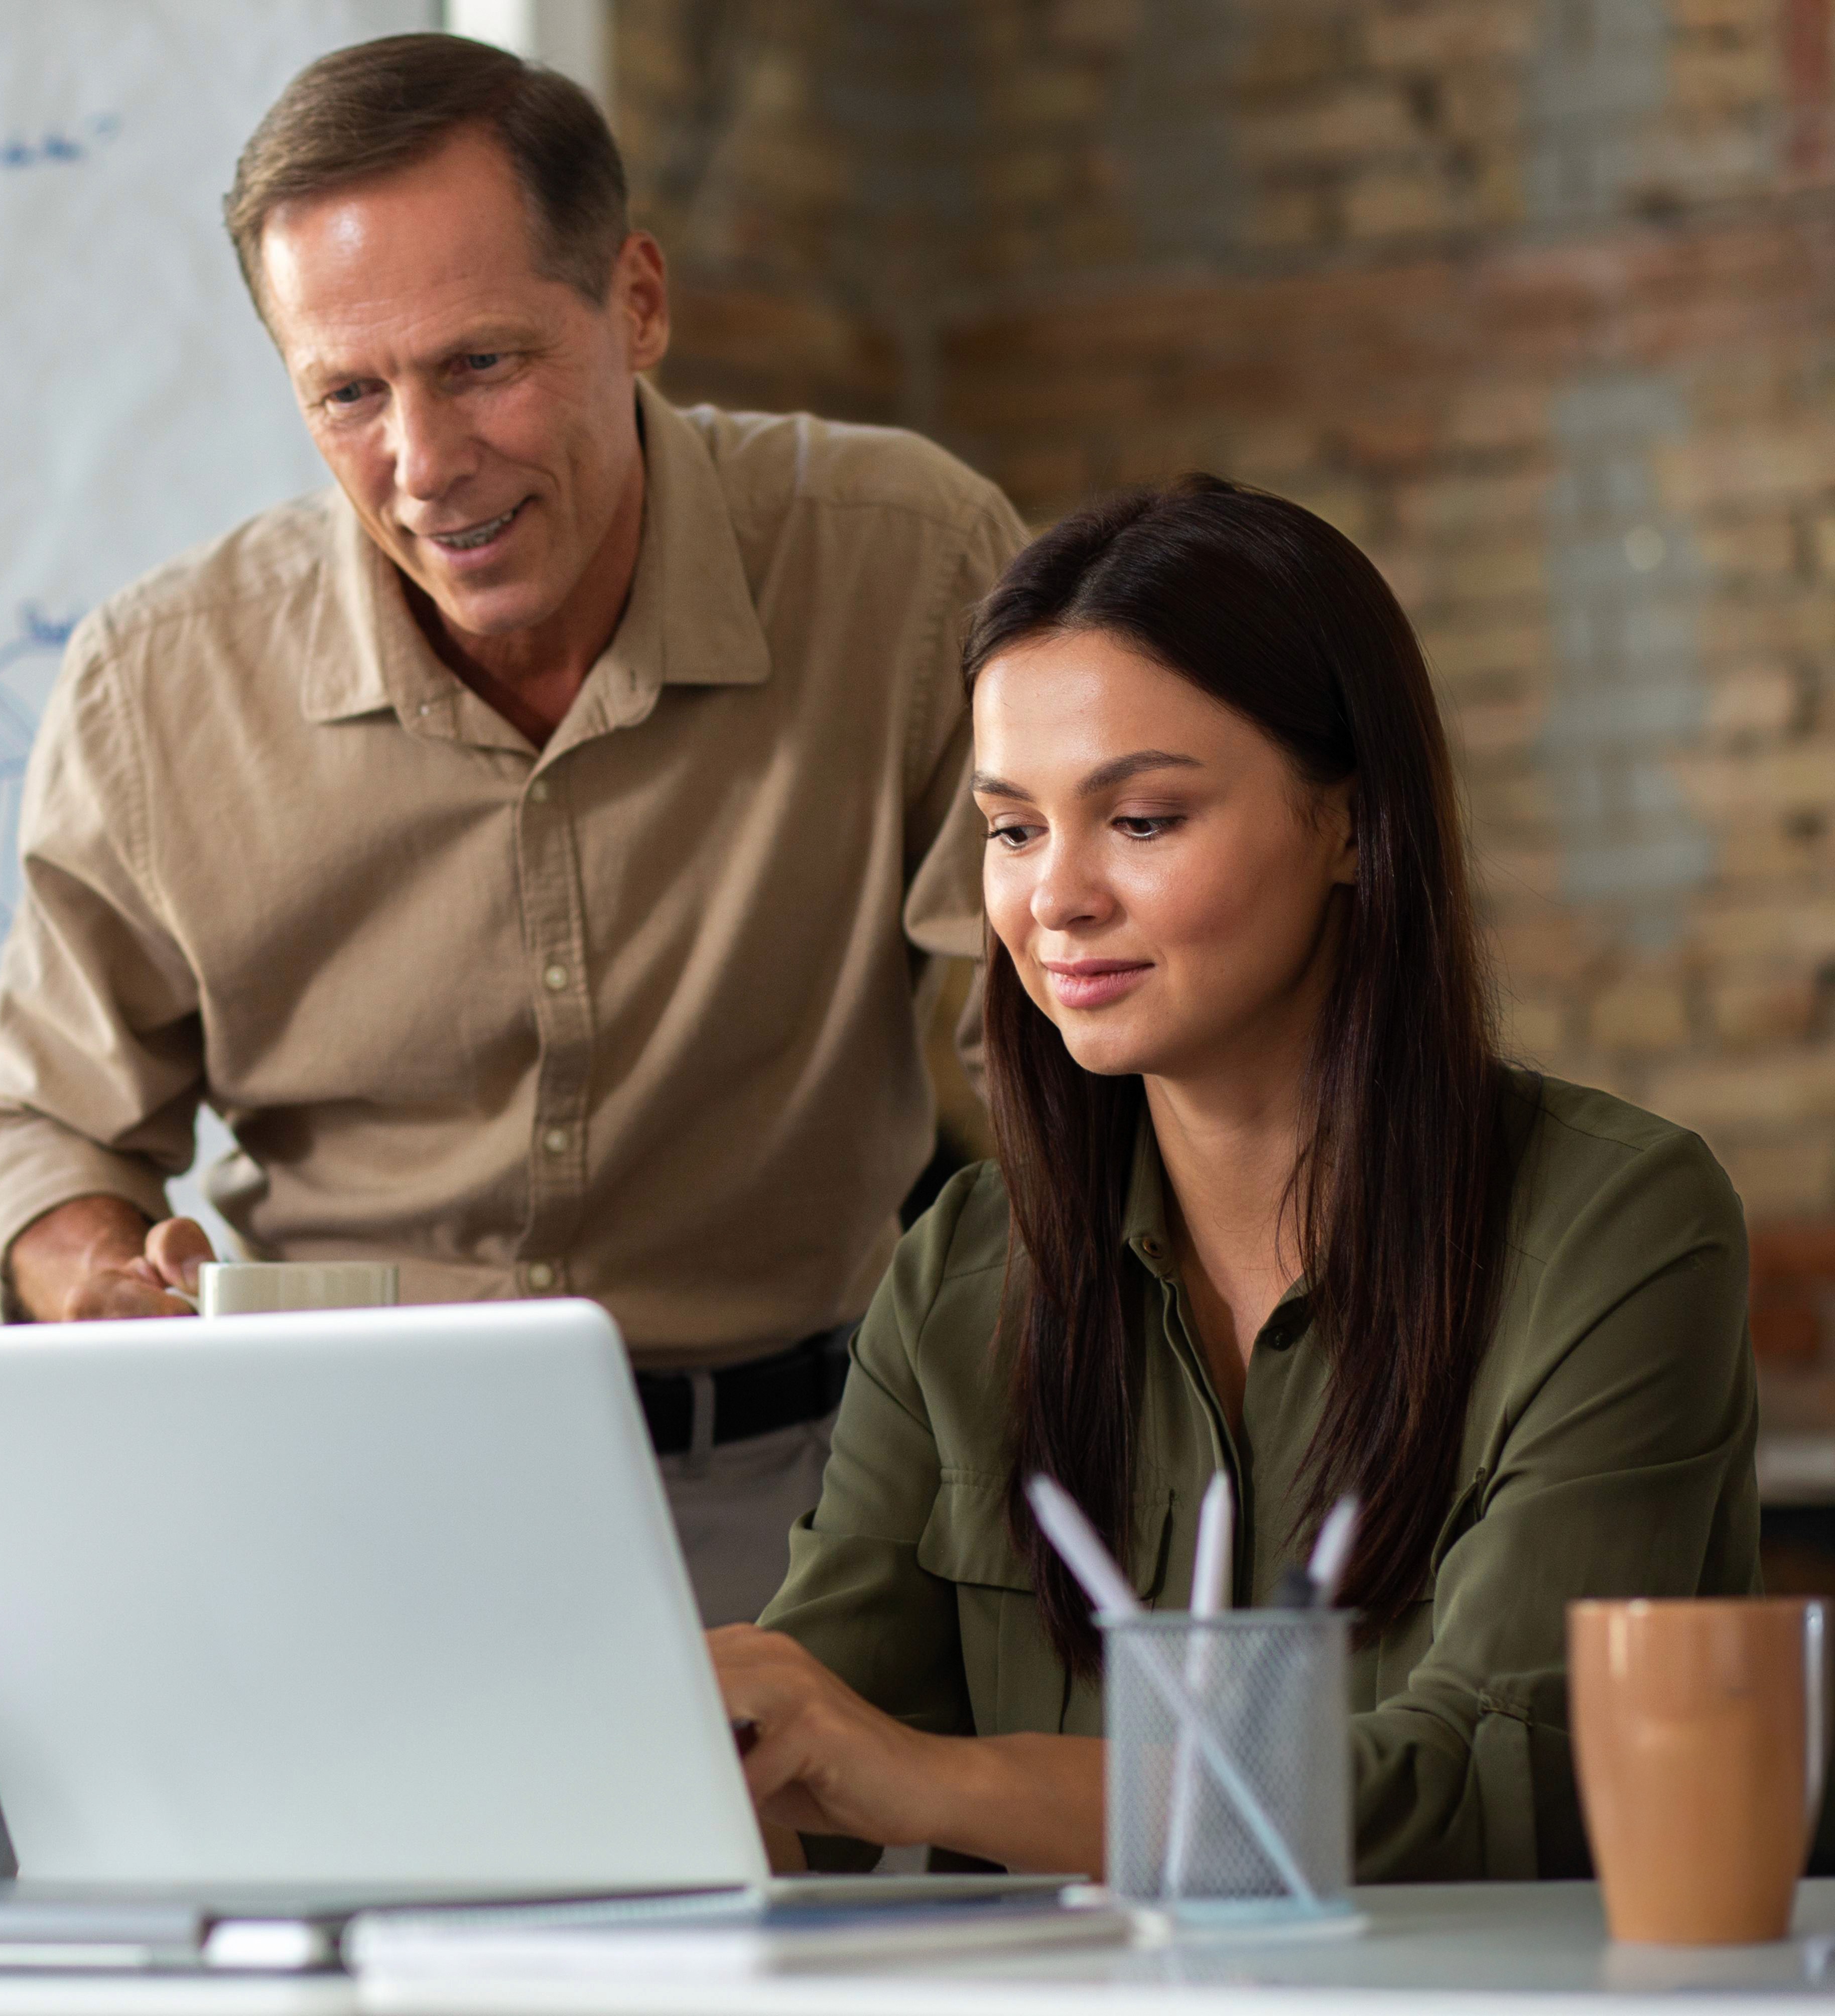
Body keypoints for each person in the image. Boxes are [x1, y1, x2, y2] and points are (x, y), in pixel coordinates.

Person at [0, 33, 1025, 1624]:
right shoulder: (160, 679)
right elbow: (37, 1127)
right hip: (322, 1490)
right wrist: (88, 1276)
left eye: (481, 365)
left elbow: (1060, 1024)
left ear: (637, 305)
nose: (426, 465)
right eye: (349, 392)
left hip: (807, 1496)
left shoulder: (905, 560)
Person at [710, 476, 1758, 1882]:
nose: (1054, 896)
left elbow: (1480, 1785)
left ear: (1350, 824)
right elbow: (807, 1760)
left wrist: (931, 1780)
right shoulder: (964, 1262)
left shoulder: (1619, 1227)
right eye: (1013, 828)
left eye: (1140, 820)